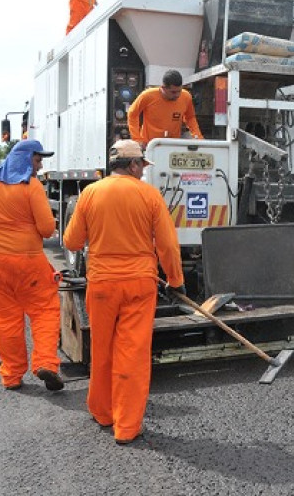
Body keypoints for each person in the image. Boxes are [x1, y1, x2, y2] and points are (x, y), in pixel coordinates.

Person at [63, 138, 183, 445]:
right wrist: (176, 280)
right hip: (139, 286)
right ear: (131, 165)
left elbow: (72, 242)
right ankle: (127, 426)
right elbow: (168, 246)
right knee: (132, 354)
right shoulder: (149, 195)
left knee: (102, 349)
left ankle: (103, 412)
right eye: (141, 164)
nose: (143, 170)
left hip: (102, 285)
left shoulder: (90, 192)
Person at [0, 140, 65, 390]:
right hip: (29, 260)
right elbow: (46, 228)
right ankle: (45, 363)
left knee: (6, 320)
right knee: (44, 312)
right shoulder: (31, 186)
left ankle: (11, 375)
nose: (40, 165)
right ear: (24, 158)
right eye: (37, 159)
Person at [127, 69, 204, 146]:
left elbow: (190, 118)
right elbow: (132, 114)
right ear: (163, 88)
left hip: (172, 145)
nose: (177, 95)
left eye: (179, 91)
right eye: (173, 92)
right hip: (150, 145)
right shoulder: (147, 96)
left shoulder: (186, 97)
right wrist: (137, 139)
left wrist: (198, 137)